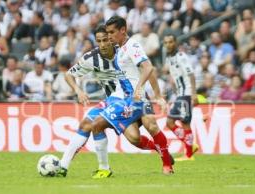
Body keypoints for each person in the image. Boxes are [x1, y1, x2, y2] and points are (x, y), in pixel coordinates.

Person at [58, 24, 173, 178]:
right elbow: (68, 74)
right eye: (99, 41)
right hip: (113, 100)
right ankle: (62, 167)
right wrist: (78, 91)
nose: (103, 44)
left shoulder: (125, 49)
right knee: (133, 138)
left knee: (148, 126)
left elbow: (148, 68)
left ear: (112, 38)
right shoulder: (91, 58)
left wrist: (157, 95)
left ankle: (104, 168)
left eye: (106, 39)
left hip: (136, 97)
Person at [90, 16, 174, 175]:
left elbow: (148, 68)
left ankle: (167, 166)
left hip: (139, 98)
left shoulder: (132, 45)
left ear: (123, 30)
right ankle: (161, 150)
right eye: (107, 32)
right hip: (126, 101)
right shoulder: (118, 49)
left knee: (151, 125)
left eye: (112, 32)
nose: (109, 36)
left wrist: (153, 94)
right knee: (134, 139)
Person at [163, 34, 199, 161]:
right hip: (180, 94)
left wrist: (194, 94)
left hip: (187, 94)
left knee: (184, 123)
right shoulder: (170, 58)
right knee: (171, 122)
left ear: (176, 43)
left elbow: (191, 74)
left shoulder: (181, 56)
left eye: (171, 42)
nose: (168, 44)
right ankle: (190, 146)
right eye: (166, 42)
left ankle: (188, 154)